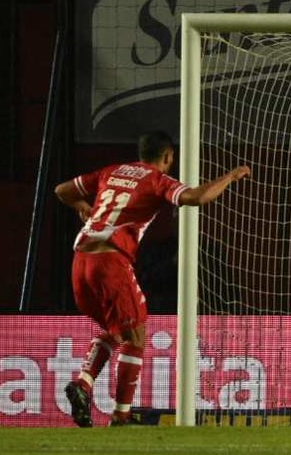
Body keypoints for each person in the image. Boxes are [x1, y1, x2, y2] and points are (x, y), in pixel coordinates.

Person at [54, 130, 251, 427]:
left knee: (117, 330)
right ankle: (120, 415)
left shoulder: (113, 171)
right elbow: (196, 197)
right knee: (136, 335)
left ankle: (83, 384)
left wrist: (83, 208)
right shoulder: (154, 179)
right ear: (168, 157)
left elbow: (62, 190)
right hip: (109, 261)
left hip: (80, 262)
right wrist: (231, 177)